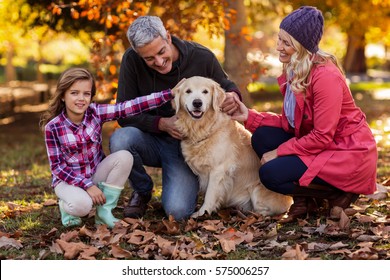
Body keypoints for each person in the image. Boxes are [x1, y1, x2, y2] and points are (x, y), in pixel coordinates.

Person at [231, 6, 377, 223]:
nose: (278, 47)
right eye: (279, 39)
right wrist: (249, 117)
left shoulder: (325, 77)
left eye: (286, 43)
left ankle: (338, 193)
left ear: (302, 47)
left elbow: (322, 136)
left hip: (346, 152)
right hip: (323, 144)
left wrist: (279, 152)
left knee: (270, 174)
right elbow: (291, 124)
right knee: (261, 136)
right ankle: (305, 200)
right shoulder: (296, 69)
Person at [109, 16, 241, 220]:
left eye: (161, 52)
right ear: (138, 54)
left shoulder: (201, 57)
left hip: (189, 145)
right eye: (149, 59)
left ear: (168, 38)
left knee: (178, 212)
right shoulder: (131, 60)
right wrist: (160, 124)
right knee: (121, 139)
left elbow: (226, 85)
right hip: (151, 140)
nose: (159, 62)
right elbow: (123, 113)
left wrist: (234, 96)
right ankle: (142, 191)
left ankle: (188, 185)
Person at [40, 67, 175, 228]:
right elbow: (57, 168)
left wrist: (168, 94)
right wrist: (87, 186)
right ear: (63, 95)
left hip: (95, 173)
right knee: (83, 206)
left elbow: (128, 107)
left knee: (125, 157)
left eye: (86, 93)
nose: (81, 99)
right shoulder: (53, 127)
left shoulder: (95, 113)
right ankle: (66, 207)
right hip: (68, 182)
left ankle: (104, 212)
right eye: (74, 93)